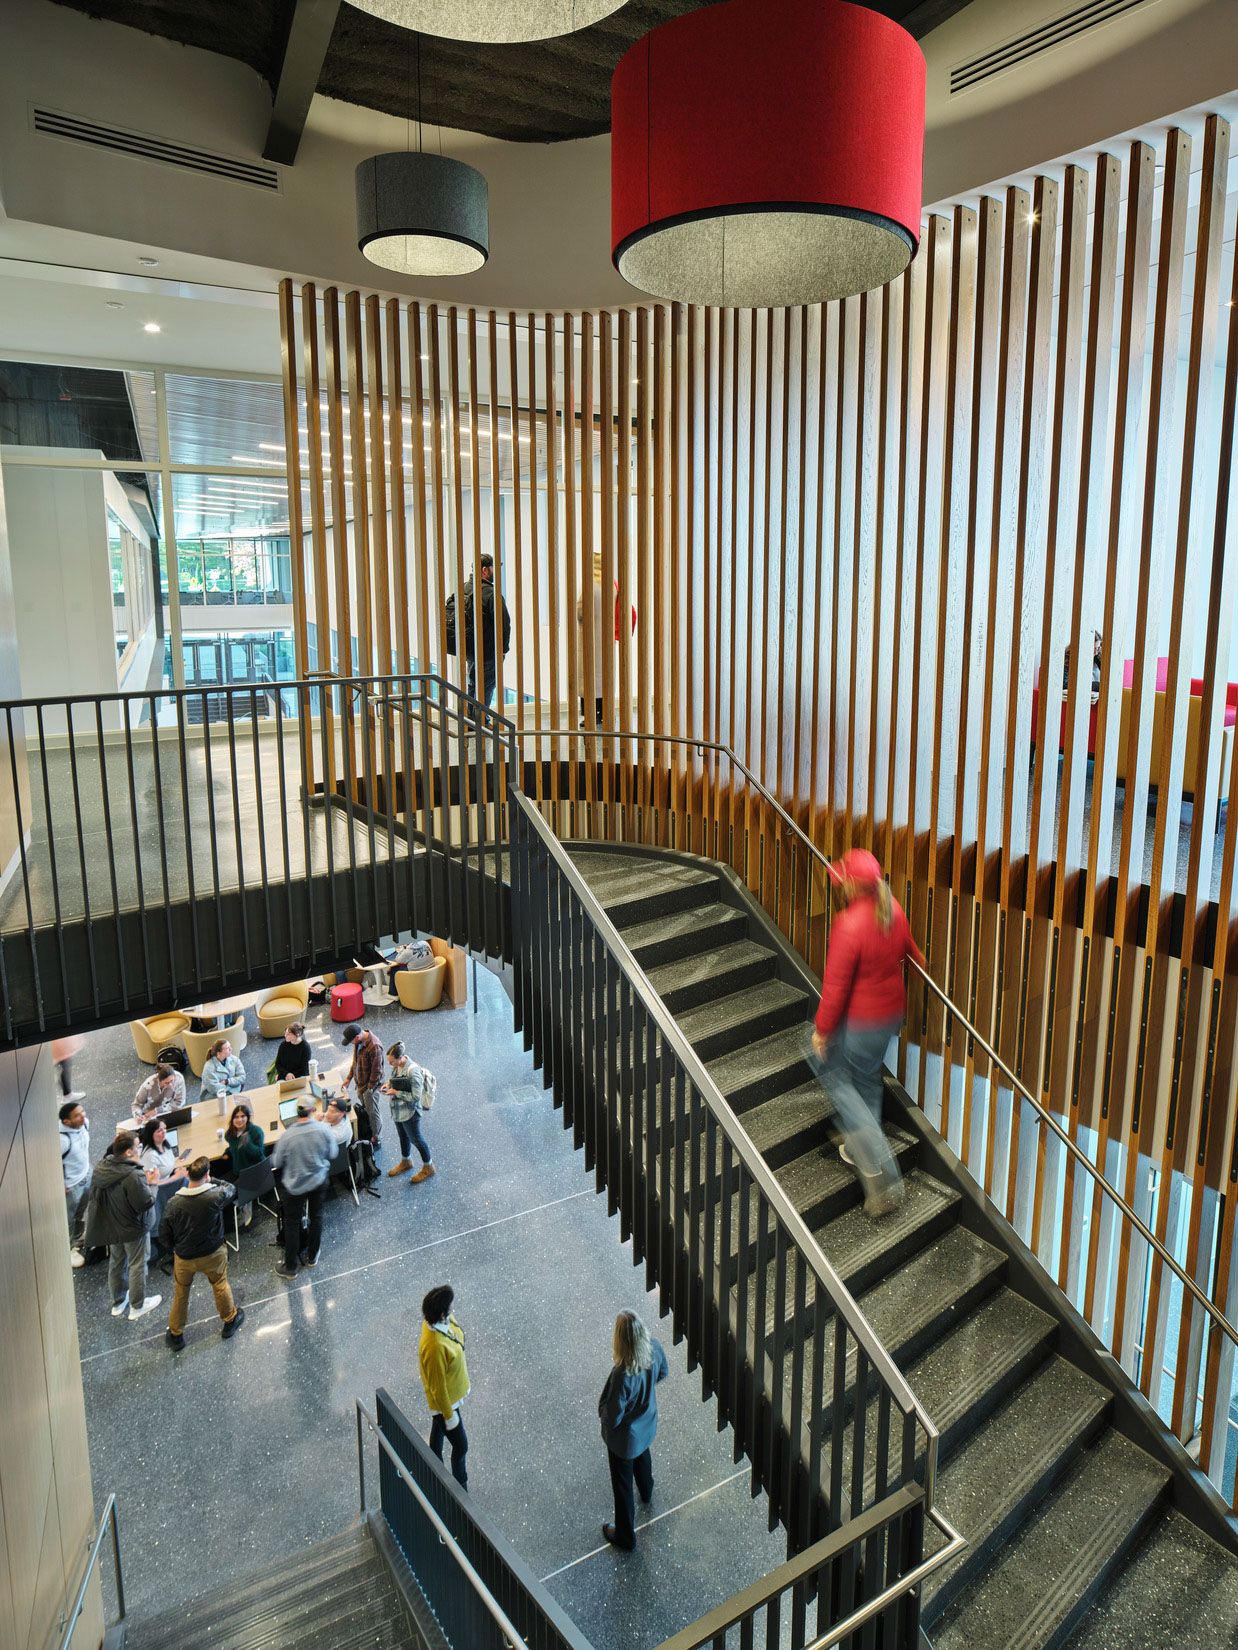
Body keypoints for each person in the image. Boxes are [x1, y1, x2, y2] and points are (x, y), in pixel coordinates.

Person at [808, 848, 925, 1218]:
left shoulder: (849, 923)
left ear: (852, 886)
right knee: (867, 1080)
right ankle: (859, 1148)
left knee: (833, 1075)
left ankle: (880, 1171)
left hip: (861, 1023)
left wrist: (822, 1032)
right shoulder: (892, 910)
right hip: (889, 1019)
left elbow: (836, 987)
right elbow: (915, 958)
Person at [599, 1309, 669, 1551]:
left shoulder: (622, 1374)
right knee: (643, 1458)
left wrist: (605, 1419)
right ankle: (647, 1490)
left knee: (622, 1487)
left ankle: (625, 1537)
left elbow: (615, 1416)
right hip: (646, 1426)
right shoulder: (655, 1348)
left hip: (624, 1441)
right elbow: (663, 1373)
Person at [158, 1156, 244, 1351]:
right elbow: (231, 1188)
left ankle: (176, 1334)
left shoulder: (173, 1203)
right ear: (206, 1175)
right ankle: (229, 1320)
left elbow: (164, 1233)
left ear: (187, 1174)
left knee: (181, 1293)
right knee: (220, 1284)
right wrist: (213, 1180)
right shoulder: (214, 1196)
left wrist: (174, 1248)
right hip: (213, 1253)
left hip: (185, 1257)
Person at [82, 1130, 162, 1322]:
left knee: (117, 1263)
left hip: (112, 1226)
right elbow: (144, 1203)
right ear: (128, 1152)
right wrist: (153, 1184)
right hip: (133, 1228)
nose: (140, 1149)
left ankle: (118, 1302)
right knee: (137, 1265)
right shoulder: (133, 1175)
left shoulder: (102, 1167)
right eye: (137, 1146)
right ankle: (137, 1306)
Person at [270, 1096, 337, 1280]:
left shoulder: (288, 1134)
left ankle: (291, 1266)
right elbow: (333, 1152)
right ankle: (312, 1256)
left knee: (292, 1222)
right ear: (312, 1110)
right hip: (317, 1181)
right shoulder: (323, 1129)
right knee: (316, 1217)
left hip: (295, 1186)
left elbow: (276, 1161)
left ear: (296, 1112)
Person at [576, 551, 636, 727]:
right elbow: (627, 610)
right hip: (606, 641)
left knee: (587, 679)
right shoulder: (613, 585)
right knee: (604, 679)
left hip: (587, 641)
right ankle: (604, 714)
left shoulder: (589, 585)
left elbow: (580, 612)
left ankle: (589, 716)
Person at [419, 1285, 470, 1489]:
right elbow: (438, 1388)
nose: (453, 1308)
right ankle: (461, 1486)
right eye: (450, 1306)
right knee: (461, 1446)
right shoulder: (435, 1346)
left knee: (437, 1430)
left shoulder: (437, 1323)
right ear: (441, 1313)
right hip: (446, 1402)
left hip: (447, 1395)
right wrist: (450, 1416)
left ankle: (434, 1464)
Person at [444, 552, 510, 706]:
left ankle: (472, 722)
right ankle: (479, 723)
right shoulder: (490, 593)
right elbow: (504, 624)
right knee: (485, 688)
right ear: (485, 570)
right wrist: (503, 649)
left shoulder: (463, 588)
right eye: (494, 568)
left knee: (474, 685)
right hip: (487, 652)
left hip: (470, 650)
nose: (496, 572)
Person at [384, 1041, 435, 1183]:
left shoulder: (413, 1072)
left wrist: (396, 1092)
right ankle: (406, 1161)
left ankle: (428, 1166)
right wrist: (389, 1084)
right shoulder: (398, 1065)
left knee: (416, 1139)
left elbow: (416, 1097)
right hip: (398, 1110)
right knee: (403, 1137)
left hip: (410, 1113)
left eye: (392, 1061)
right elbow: (394, 1078)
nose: (390, 1064)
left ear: (400, 1057)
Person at [342, 1023, 384, 1150]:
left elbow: (377, 1071)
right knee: (366, 1110)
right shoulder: (358, 1042)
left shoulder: (374, 1046)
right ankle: (369, 1131)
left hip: (370, 1087)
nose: (350, 1044)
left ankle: (377, 1138)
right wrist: (349, 1078)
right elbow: (355, 1062)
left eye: (350, 1041)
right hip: (361, 1085)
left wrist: (369, 1088)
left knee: (373, 1113)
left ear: (357, 1036)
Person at [223, 1101, 266, 1226]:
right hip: (239, 1170)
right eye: (236, 1117)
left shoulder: (256, 1132)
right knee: (218, 1186)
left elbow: (259, 1153)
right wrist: (227, 1153)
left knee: (227, 1193)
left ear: (247, 1118)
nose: (239, 1120)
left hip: (253, 1172)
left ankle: (245, 1208)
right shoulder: (231, 1134)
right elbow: (234, 1146)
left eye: (243, 1116)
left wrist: (247, 1144)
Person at [59, 1099, 91, 1267]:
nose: (82, 1116)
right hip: (72, 1185)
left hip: (86, 1174)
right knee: (69, 1218)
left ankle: (78, 1237)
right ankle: (69, 1249)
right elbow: (51, 1162)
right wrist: (60, 1184)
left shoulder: (84, 1124)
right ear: (66, 1122)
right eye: (77, 1115)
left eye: (82, 1112)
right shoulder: (62, 1141)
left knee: (81, 1211)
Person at [52, 1036, 84, 1101]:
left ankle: (67, 1093)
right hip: (60, 1042)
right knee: (65, 1062)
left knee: (65, 1063)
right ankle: (67, 1094)